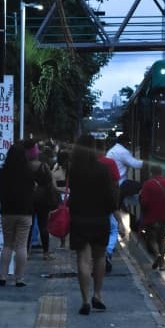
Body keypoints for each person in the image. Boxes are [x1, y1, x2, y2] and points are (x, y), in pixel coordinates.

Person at [69, 134, 117, 315]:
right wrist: (113, 211)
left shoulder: (74, 169)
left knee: (83, 258)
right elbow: (109, 196)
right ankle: (97, 294)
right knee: (99, 257)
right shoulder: (103, 169)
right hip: (99, 218)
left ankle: (85, 300)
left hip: (80, 218)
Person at [0, 141, 35, 287]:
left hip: (7, 210)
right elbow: (32, 189)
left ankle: (2, 276)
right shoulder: (28, 171)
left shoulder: (3, 171)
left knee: (7, 244)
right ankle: (19, 278)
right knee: (21, 246)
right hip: (24, 211)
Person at [24, 139, 58, 260]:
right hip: (43, 200)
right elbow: (51, 184)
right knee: (43, 226)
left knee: (28, 226)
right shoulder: (43, 166)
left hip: (28, 198)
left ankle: (26, 252)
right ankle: (46, 253)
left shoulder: (24, 166)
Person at [96, 138, 121, 273]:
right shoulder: (110, 163)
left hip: (91, 204)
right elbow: (116, 182)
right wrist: (116, 203)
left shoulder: (87, 163)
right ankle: (108, 251)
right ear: (103, 149)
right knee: (113, 228)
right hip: (108, 202)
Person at [106, 134, 143, 211]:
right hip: (121, 184)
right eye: (129, 143)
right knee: (144, 187)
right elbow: (136, 164)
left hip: (111, 184)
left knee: (116, 207)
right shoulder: (123, 151)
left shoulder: (111, 150)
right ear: (125, 142)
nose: (129, 145)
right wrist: (148, 163)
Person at [51, 149, 70, 248]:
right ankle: (66, 240)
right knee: (68, 218)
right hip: (69, 198)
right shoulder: (73, 171)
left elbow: (54, 187)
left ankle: (63, 241)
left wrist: (61, 189)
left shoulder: (55, 172)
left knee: (62, 218)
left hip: (60, 199)